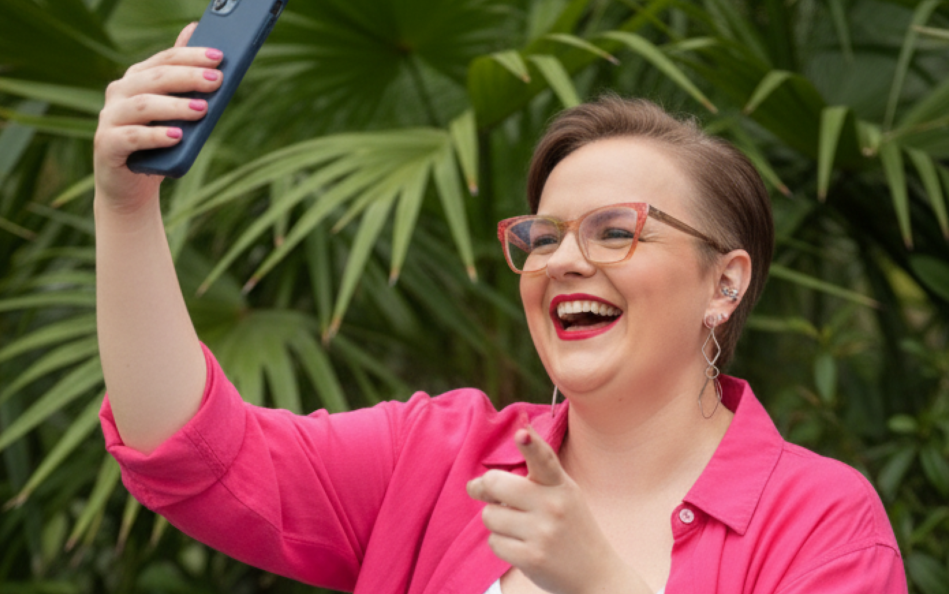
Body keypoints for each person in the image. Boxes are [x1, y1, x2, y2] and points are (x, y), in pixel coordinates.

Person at [94, 24, 908, 594]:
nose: (564, 260)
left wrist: (602, 585)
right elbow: (196, 454)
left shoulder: (820, 521)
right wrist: (126, 207)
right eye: (543, 236)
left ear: (724, 284)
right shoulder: (440, 459)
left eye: (615, 231)